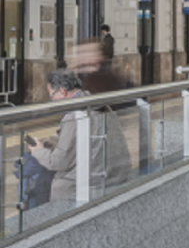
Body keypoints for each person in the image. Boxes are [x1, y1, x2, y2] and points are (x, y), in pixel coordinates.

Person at [28, 70, 131, 201]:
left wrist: (38, 151)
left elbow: (59, 161)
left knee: (39, 175)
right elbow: (85, 138)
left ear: (62, 92)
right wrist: (53, 141)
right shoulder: (99, 104)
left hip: (92, 181)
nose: (52, 100)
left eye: (52, 95)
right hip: (115, 173)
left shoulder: (75, 114)